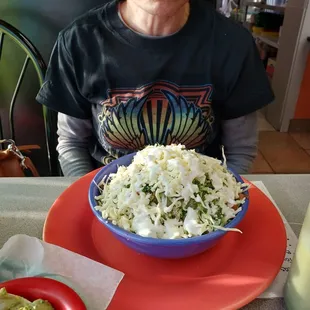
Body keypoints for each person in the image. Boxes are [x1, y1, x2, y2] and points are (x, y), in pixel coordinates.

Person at [36, 0, 274, 176]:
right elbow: (72, 143)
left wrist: (220, 205)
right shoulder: (79, 42)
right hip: (106, 196)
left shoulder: (233, 45)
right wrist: (89, 202)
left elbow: (240, 152)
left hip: (198, 201)